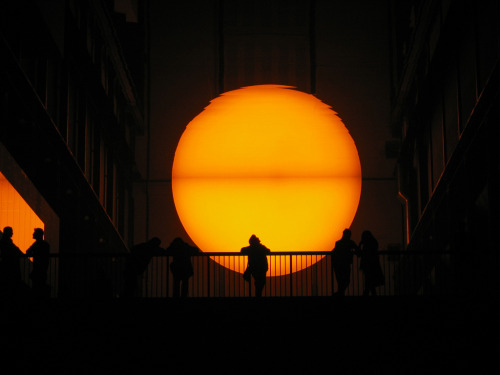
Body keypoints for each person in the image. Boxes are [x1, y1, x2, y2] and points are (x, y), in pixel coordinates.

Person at [331, 229, 359, 296]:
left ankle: (339, 293)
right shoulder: (350, 243)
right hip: (344, 264)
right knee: (345, 281)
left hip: (338, 265)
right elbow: (358, 251)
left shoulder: (338, 243)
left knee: (341, 281)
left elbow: (334, 253)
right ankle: (340, 293)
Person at [358, 230, 385, 296]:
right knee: (369, 281)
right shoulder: (373, 242)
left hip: (368, 265)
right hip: (372, 265)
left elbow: (360, 254)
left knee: (368, 280)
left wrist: (360, 244)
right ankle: (368, 293)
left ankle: (366, 293)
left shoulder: (367, 245)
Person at [26, 228, 50, 298]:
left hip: (38, 269)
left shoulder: (37, 244)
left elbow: (28, 251)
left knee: (37, 286)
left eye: (35, 233)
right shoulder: (45, 244)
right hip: (42, 269)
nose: (33, 234)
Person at [0, 226, 23, 298]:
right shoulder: (7, 242)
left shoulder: (4, 241)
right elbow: (15, 250)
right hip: (10, 265)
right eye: (11, 232)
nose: (12, 233)